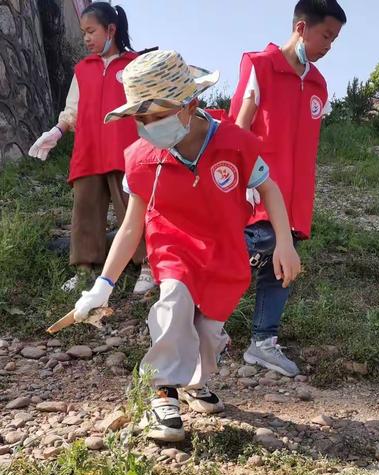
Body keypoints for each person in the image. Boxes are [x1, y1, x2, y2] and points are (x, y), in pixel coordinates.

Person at [73, 50, 301, 442]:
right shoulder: (143, 158)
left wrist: (285, 242)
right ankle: (161, 390)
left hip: (225, 252)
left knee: (209, 330)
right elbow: (131, 227)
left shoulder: (235, 144)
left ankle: (196, 380)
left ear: (189, 104)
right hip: (173, 245)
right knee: (174, 302)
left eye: (155, 117)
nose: (146, 128)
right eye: (139, 119)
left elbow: (269, 189)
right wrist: (103, 285)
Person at [229, 0, 346, 377]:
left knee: (282, 267)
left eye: (335, 39)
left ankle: (263, 343)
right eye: (326, 35)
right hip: (259, 189)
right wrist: (243, 175)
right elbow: (241, 125)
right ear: (301, 27)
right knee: (251, 246)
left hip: (296, 197)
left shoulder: (317, 84)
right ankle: (198, 318)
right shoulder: (260, 65)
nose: (329, 45)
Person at [28, 2, 154, 294]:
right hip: (88, 150)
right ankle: (85, 270)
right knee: (85, 211)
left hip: (126, 152)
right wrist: (56, 132)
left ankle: (146, 264)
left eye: (91, 31)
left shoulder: (134, 65)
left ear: (111, 29)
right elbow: (72, 110)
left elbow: (147, 108)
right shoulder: (83, 69)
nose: (85, 38)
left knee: (132, 209)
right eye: (83, 32)